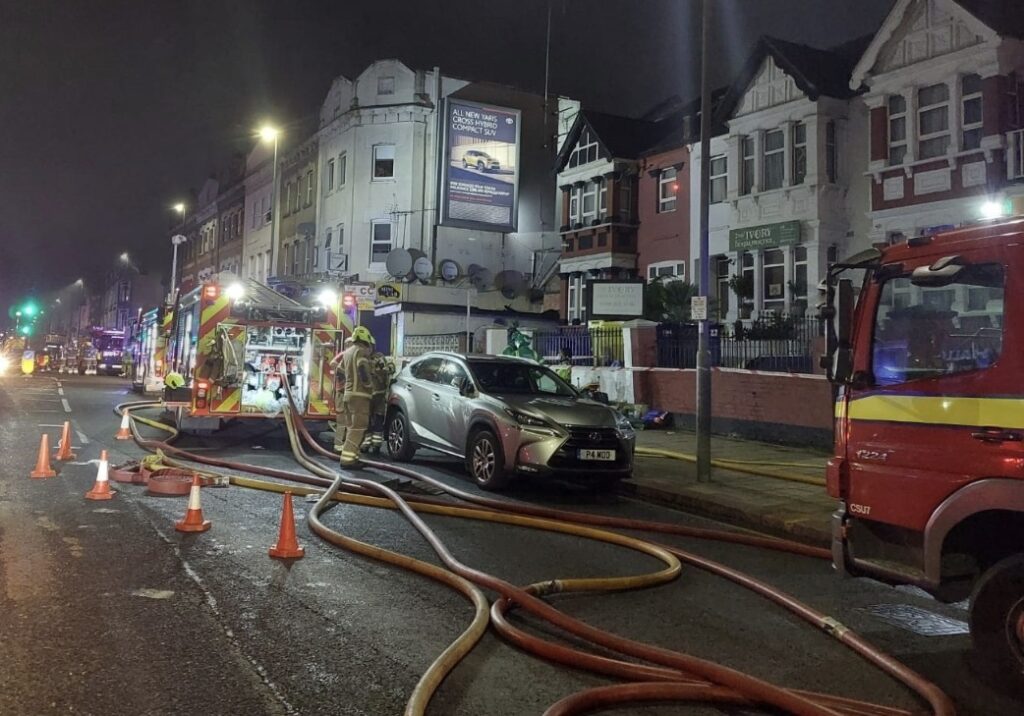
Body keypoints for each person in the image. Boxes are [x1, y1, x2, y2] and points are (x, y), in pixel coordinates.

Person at [337, 327, 374, 468]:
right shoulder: (360, 351)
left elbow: (339, 370)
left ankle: (352, 456)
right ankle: (348, 460)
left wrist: (346, 383)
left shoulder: (347, 352)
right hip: (360, 396)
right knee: (358, 428)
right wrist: (369, 385)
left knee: (351, 427)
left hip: (347, 395)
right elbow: (362, 368)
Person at [364, 351, 395, 454]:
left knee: (370, 420)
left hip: (369, 396)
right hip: (378, 397)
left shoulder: (367, 360)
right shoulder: (381, 363)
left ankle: (368, 444)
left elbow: (391, 368)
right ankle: (374, 444)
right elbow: (391, 369)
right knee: (376, 419)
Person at [330, 336, 354, 453]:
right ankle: (338, 445)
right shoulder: (344, 354)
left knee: (349, 420)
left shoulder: (354, 356)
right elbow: (333, 363)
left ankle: (344, 444)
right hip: (341, 391)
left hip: (350, 392)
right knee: (341, 420)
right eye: (350, 344)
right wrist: (344, 372)